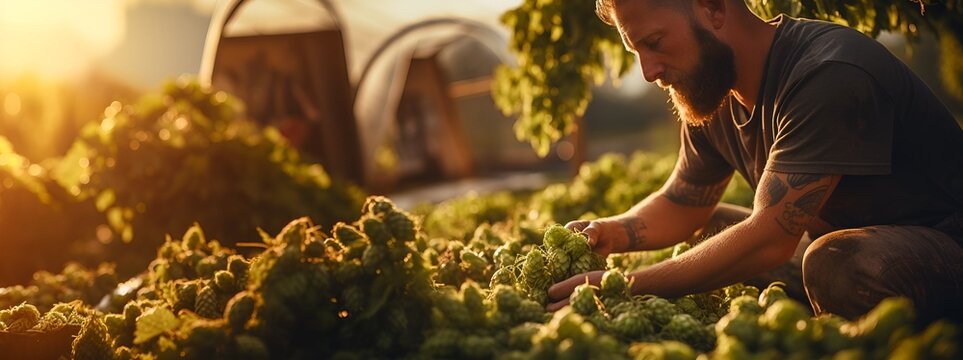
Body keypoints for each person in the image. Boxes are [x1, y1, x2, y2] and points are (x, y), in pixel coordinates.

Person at [546, 0, 963, 324]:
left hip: (944, 243)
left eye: (653, 43)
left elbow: (771, 238)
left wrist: (623, 286)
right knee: (707, 231)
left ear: (712, 8)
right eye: (635, 50)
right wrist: (612, 231)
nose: (649, 71)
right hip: (832, 239)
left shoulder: (827, 72)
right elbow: (683, 203)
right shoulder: (711, 90)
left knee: (834, 264)